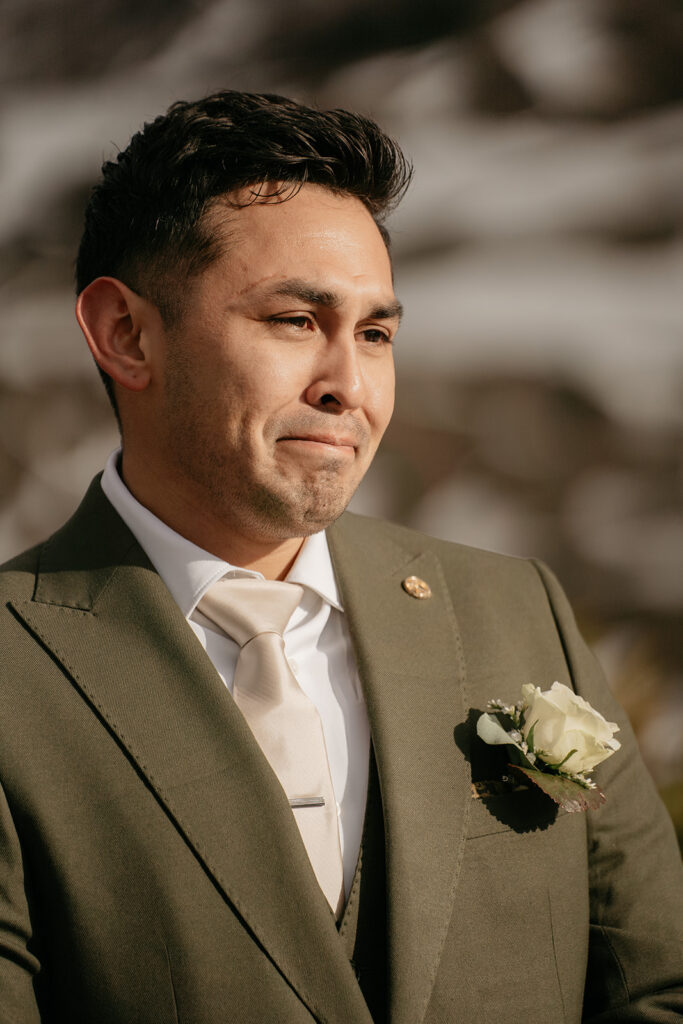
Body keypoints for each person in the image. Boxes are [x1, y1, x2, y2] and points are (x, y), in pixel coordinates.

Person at [0, 90, 681, 1024]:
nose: (349, 387)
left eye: (375, 334)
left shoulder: (519, 610)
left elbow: (658, 989)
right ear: (126, 334)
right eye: (293, 320)